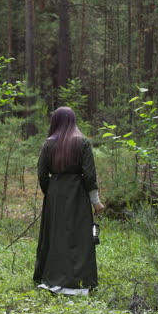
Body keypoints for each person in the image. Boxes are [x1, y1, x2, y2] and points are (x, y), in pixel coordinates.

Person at [33, 107, 104, 295]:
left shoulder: (49, 144)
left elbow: (42, 173)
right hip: (77, 194)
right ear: (73, 121)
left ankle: (49, 279)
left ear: (55, 122)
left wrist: (52, 193)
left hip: (55, 194)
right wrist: (96, 202)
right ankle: (80, 281)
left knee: (55, 236)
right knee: (79, 236)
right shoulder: (82, 142)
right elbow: (89, 176)